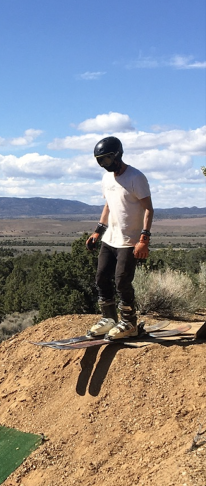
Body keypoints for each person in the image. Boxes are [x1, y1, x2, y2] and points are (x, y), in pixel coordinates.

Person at [85, 135, 154, 340]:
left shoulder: (136, 177)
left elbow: (148, 209)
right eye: (99, 161)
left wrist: (143, 240)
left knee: (122, 282)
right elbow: (109, 204)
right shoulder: (107, 178)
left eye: (105, 160)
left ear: (117, 155)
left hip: (129, 240)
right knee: (101, 278)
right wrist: (98, 230)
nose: (103, 165)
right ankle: (109, 319)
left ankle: (129, 323)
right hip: (110, 237)